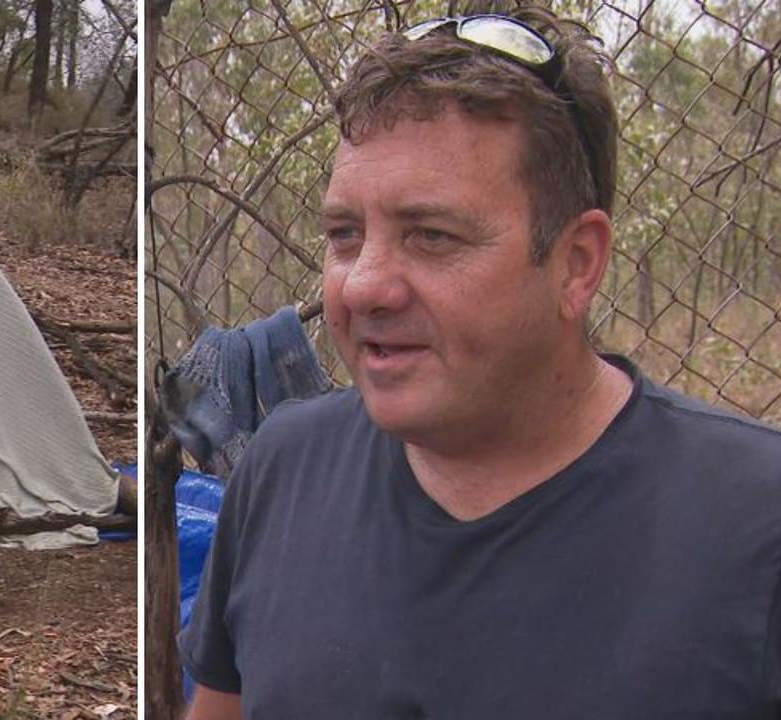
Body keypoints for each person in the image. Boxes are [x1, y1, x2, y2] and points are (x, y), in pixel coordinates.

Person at [178, 4, 781, 718]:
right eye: (344, 234)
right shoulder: (284, 466)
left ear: (575, 264)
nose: (363, 283)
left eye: (431, 236)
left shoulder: (752, 524)